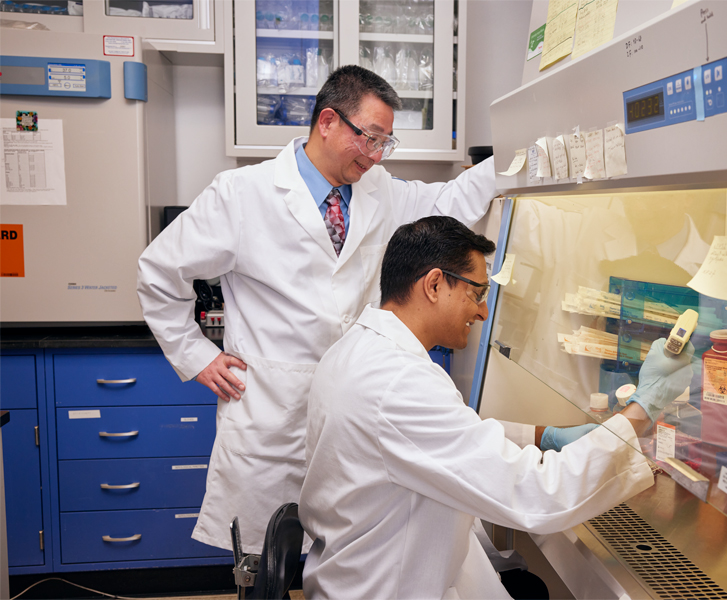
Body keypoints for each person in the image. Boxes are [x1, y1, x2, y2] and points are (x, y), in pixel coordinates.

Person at [136, 66, 498, 554]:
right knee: (267, 564)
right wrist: (195, 355)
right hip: (271, 416)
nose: (374, 155)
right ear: (327, 121)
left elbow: (448, 202)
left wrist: (513, 158)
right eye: (368, 137)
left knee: (339, 558)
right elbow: (159, 269)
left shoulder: (380, 192)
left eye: (384, 143)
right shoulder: (243, 193)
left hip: (351, 407)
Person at [299, 216, 695, 599]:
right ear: (434, 284)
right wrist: (646, 404)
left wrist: (544, 437)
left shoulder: (359, 350)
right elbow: (537, 494)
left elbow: (435, 436)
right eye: (477, 293)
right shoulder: (399, 381)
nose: (483, 311)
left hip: (361, 572)